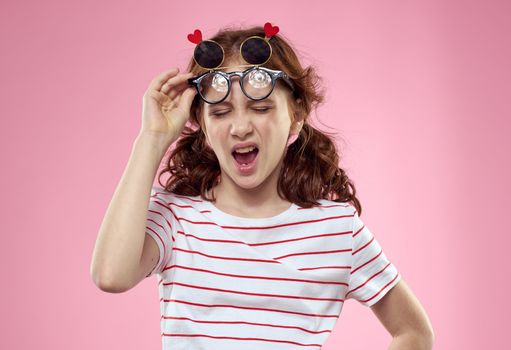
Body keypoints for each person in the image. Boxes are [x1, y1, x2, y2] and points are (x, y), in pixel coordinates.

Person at [90, 22, 434, 349]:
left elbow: (414, 332)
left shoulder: (337, 229)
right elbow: (111, 275)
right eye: (221, 112)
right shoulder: (176, 217)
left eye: (260, 107)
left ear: (296, 116)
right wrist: (152, 138)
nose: (240, 127)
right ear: (204, 128)